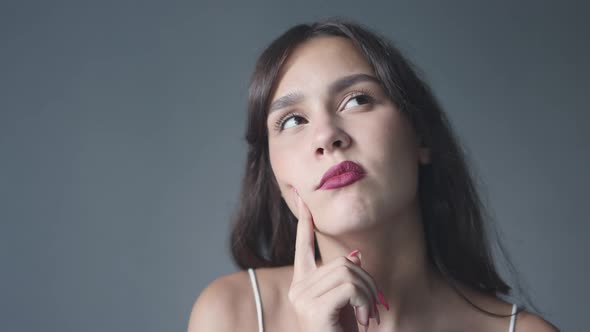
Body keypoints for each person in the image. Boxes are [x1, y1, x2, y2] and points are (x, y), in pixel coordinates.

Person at [187, 19, 559, 332]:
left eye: (357, 100)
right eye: (293, 120)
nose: (327, 135)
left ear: (421, 136)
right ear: (273, 174)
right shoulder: (232, 314)